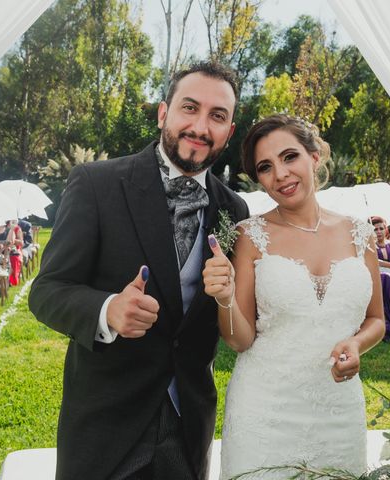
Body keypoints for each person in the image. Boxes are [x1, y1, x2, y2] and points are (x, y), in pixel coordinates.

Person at [29, 61, 249, 480]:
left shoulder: (234, 210)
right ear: (164, 113)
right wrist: (107, 309)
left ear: (229, 131)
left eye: (217, 116)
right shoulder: (97, 184)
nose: (201, 126)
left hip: (188, 427)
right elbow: (47, 291)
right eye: (190, 108)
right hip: (107, 427)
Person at [202, 114, 385, 477]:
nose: (281, 175)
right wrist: (224, 298)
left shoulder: (360, 234)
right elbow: (240, 340)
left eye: (289, 157)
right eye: (266, 167)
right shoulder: (249, 236)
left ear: (314, 156)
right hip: (265, 412)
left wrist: (356, 344)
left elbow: (376, 320)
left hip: (339, 411)